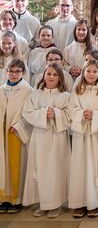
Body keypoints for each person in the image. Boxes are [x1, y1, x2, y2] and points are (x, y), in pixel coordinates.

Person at [22, 63, 71, 218]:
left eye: (55, 75)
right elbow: (27, 112)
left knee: (56, 169)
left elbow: (70, 115)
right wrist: (44, 114)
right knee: (40, 169)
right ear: (43, 76)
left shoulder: (65, 96)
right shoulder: (35, 94)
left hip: (58, 137)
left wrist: (56, 114)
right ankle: (43, 203)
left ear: (60, 78)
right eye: (48, 74)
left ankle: (56, 203)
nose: (51, 77)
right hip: (40, 136)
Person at [68, 60, 98, 218]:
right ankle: (79, 203)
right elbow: (71, 108)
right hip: (81, 134)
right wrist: (81, 114)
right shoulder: (77, 90)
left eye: (95, 72)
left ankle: (94, 202)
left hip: (96, 135)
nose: (91, 74)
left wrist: (96, 115)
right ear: (83, 73)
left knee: (95, 167)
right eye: (88, 71)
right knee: (80, 166)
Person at [0, 59, 33, 214]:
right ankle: (4, 198)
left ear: (23, 73)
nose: (13, 74)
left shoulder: (28, 91)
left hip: (16, 132)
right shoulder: (1, 89)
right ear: (6, 72)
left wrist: (19, 126)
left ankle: (16, 199)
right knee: (3, 165)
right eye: (11, 71)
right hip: (2, 133)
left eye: (17, 71)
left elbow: (29, 113)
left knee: (16, 164)